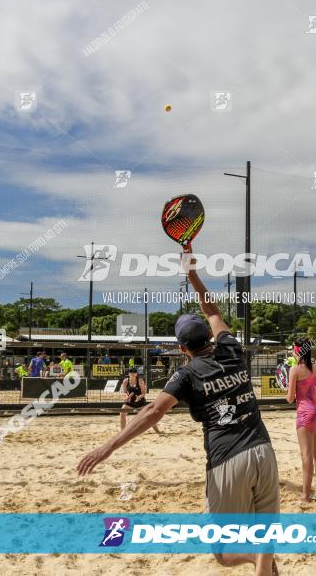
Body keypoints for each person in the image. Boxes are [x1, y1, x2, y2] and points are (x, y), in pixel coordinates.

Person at [78, 243, 279, 576]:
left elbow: (152, 413)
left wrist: (108, 447)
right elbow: (212, 310)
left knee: (222, 551)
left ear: (182, 348)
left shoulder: (186, 374)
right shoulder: (230, 348)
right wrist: (192, 273)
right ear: (210, 339)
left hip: (228, 459)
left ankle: (258, 565)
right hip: (264, 449)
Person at [286, 337, 316, 502]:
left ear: (297, 351)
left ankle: (305, 495)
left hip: (306, 412)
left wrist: (286, 391)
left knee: (306, 455)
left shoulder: (294, 370)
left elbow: (290, 398)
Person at [120, 367, 161, 434]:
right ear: (129, 373)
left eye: (134, 372)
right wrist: (127, 397)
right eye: (131, 372)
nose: (132, 373)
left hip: (140, 401)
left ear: (136, 374)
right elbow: (124, 392)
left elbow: (144, 393)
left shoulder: (140, 380)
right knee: (122, 413)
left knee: (149, 415)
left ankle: (157, 431)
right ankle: (122, 432)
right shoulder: (125, 381)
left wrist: (139, 397)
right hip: (130, 402)